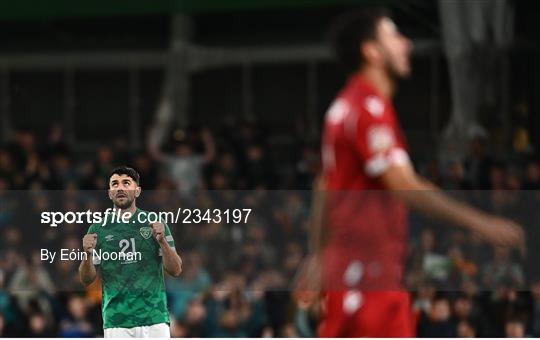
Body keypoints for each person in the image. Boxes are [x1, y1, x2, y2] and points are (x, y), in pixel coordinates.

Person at [296, 8, 524, 337]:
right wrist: (480, 222)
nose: (407, 45)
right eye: (394, 36)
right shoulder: (367, 109)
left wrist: (319, 254)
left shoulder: (345, 108)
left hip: (359, 277)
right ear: (371, 51)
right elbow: (403, 185)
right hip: (368, 279)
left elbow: (324, 185)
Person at [79, 166, 182, 338]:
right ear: (109, 193)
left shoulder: (155, 223)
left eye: (126, 183)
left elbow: (176, 270)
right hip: (117, 320)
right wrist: (87, 255)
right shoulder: (98, 229)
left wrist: (162, 242)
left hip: (154, 317)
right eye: (115, 184)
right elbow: (86, 279)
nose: (120, 187)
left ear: (138, 191)